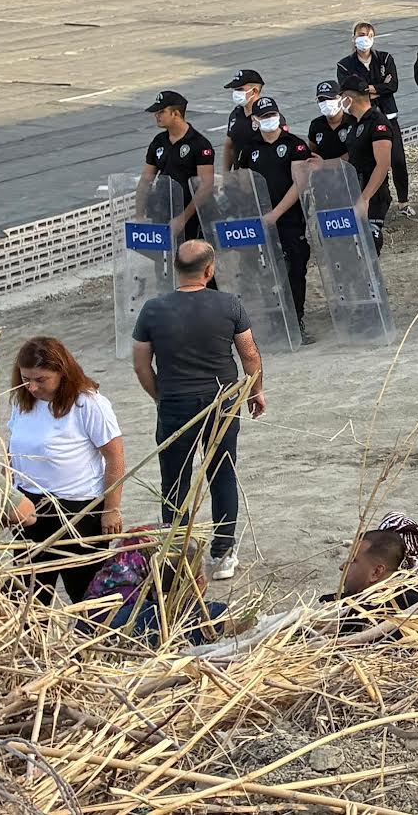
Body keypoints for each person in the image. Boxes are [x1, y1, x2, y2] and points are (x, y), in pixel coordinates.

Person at [130, 239, 264, 581]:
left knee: (174, 482)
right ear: (210, 269)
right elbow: (249, 353)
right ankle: (222, 554)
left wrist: (160, 395)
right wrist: (256, 390)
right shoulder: (229, 304)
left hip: (176, 403)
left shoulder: (153, 309)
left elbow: (141, 364)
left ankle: (177, 554)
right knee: (222, 474)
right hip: (222, 400)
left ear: (177, 268)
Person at [5, 336, 125, 603]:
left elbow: (115, 456)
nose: (32, 387)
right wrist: (9, 497)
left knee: (85, 593)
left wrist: (111, 509)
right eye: (26, 378)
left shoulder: (88, 404)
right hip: (31, 508)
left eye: (41, 379)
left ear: (61, 372)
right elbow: (12, 450)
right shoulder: (23, 402)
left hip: (77, 510)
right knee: (29, 595)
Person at [231, 97, 315, 333]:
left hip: (288, 219)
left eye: (272, 115)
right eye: (264, 116)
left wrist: (275, 214)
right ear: (255, 120)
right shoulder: (249, 148)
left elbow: (299, 183)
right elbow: (243, 182)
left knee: (296, 267)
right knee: (263, 269)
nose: (270, 120)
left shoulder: (294, 144)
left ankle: (296, 318)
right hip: (258, 219)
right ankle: (274, 318)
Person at [336, 23, 409, 207]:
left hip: (388, 115)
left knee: (397, 160)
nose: (365, 38)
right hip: (360, 118)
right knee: (364, 161)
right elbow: (350, 89)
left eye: (369, 34)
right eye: (361, 34)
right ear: (353, 38)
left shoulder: (385, 59)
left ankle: (403, 201)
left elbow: (392, 85)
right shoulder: (345, 65)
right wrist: (377, 88)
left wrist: (367, 89)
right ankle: (368, 198)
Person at [138, 90, 216, 244]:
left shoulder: (199, 144)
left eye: (162, 112)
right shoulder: (158, 142)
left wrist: (183, 218)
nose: (157, 116)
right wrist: (139, 216)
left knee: (189, 258)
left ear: (176, 114)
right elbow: (146, 179)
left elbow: (206, 185)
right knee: (163, 261)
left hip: (191, 214)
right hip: (162, 210)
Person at [332, 77, 399, 254]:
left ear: (349, 98)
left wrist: (365, 197)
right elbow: (353, 154)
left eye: (341, 97)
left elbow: (383, 165)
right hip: (355, 187)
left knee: (370, 242)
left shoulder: (378, 123)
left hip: (373, 194)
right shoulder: (353, 122)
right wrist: (325, 165)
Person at [221, 69, 265, 158]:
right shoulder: (236, 114)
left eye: (240, 89)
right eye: (234, 89)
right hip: (239, 171)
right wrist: (226, 171)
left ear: (255, 91)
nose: (236, 93)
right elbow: (229, 145)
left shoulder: (268, 115)